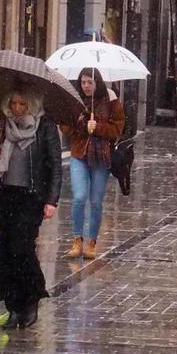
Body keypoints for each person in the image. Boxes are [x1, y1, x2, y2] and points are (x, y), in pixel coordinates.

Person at [0, 87, 62, 329]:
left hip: (31, 197)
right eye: (14, 104)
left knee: (22, 247)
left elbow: (55, 166)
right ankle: (13, 306)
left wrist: (51, 200)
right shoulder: (2, 125)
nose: (17, 109)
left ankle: (30, 298)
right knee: (5, 251)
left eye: (22, 104)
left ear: (31, 104)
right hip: (6, 195)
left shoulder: (45, 126)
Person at [61, 66, 124, 261]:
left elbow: (117, 128)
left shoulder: (111, 101)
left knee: (96, 201)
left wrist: (98, 127)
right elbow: (65, 126)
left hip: (100, 157)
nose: (86, 86)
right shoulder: (75, 100)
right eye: (83, 82)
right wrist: (81, 124)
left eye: (90, 82)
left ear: (97, 83)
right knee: (79, 197)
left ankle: (91, 242)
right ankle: (77, 239)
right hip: (79, 154)